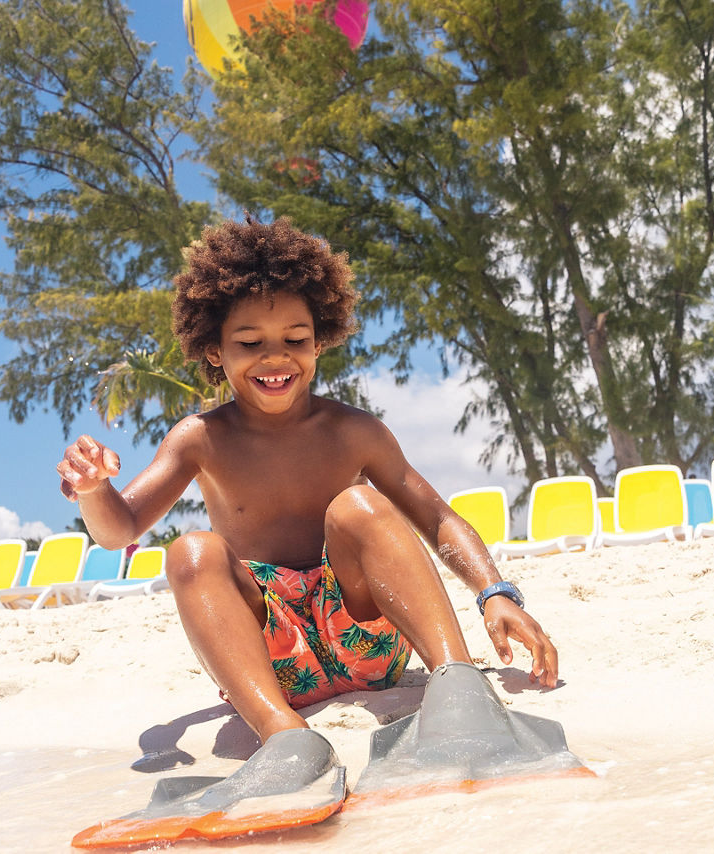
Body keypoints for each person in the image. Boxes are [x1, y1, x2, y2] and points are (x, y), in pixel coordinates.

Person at [57, 216, 558, 750]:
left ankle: (459, 688)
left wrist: (494, 593)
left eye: (295, 338)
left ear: (319, 344)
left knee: (358, 506)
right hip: (273, 664)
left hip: (365, 636)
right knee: (191, 552)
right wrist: (93, 490)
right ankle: (285, 739)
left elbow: (436, 519)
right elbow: (119, 530)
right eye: (249, 343)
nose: (275, 356)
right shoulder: (199, 438)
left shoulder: (353, 432)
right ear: (214, 351)